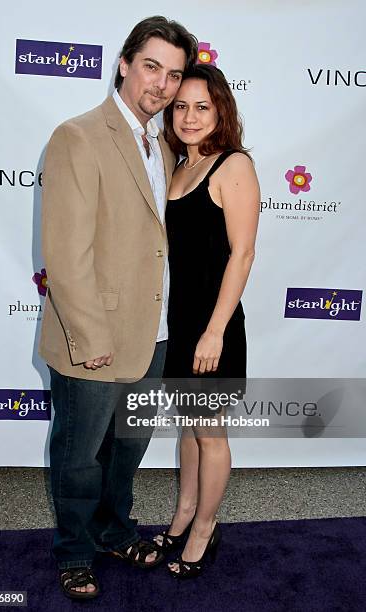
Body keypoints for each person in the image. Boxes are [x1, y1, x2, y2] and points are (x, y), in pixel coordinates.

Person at [39, 16, 198, 599]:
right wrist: (89, 335)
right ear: (125, 63)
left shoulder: (163, 143)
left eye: (174, 74)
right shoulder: (78, 136)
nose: (160, 83)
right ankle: (74, 551)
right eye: (152, 66)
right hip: (95, 334)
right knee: (80, 455)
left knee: (128, 446)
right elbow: (66, 251)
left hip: (150, 335)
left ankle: (112, 528)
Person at [154, 64, 260, 578]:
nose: (189, 117)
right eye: (181, 106)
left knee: (210, 434)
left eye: (202, 106)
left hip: (213, 329)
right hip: (180, 326)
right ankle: (182, 516)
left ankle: (203, 531)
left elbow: (242, 255)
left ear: (220, 110)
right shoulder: (177, 168)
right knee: (191, 432)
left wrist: (215, 330)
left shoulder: (233, 166)